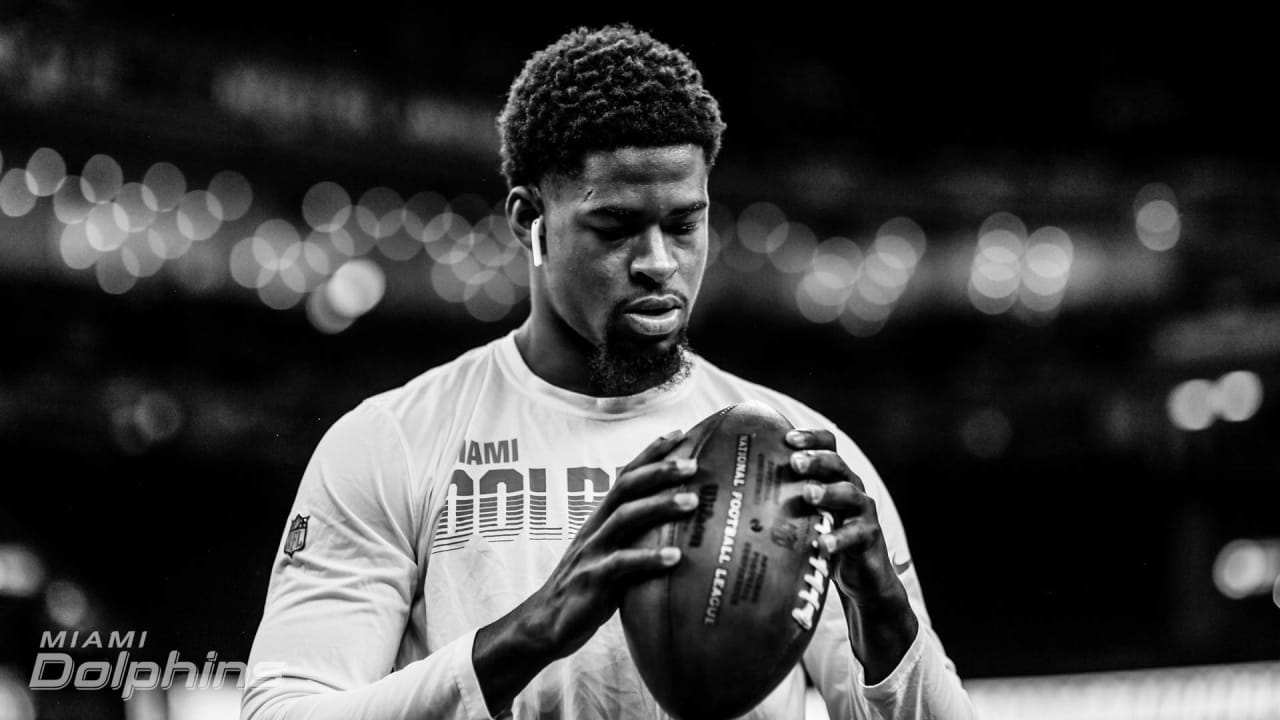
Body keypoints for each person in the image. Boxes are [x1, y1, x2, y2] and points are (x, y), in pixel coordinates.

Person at [243, 24, 977, 720]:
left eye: (685, 223)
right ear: (530, 219)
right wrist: (533, 629)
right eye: (616, 227)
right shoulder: (392, 440)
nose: (659, 262)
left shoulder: (797, 455)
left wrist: (885, 617)